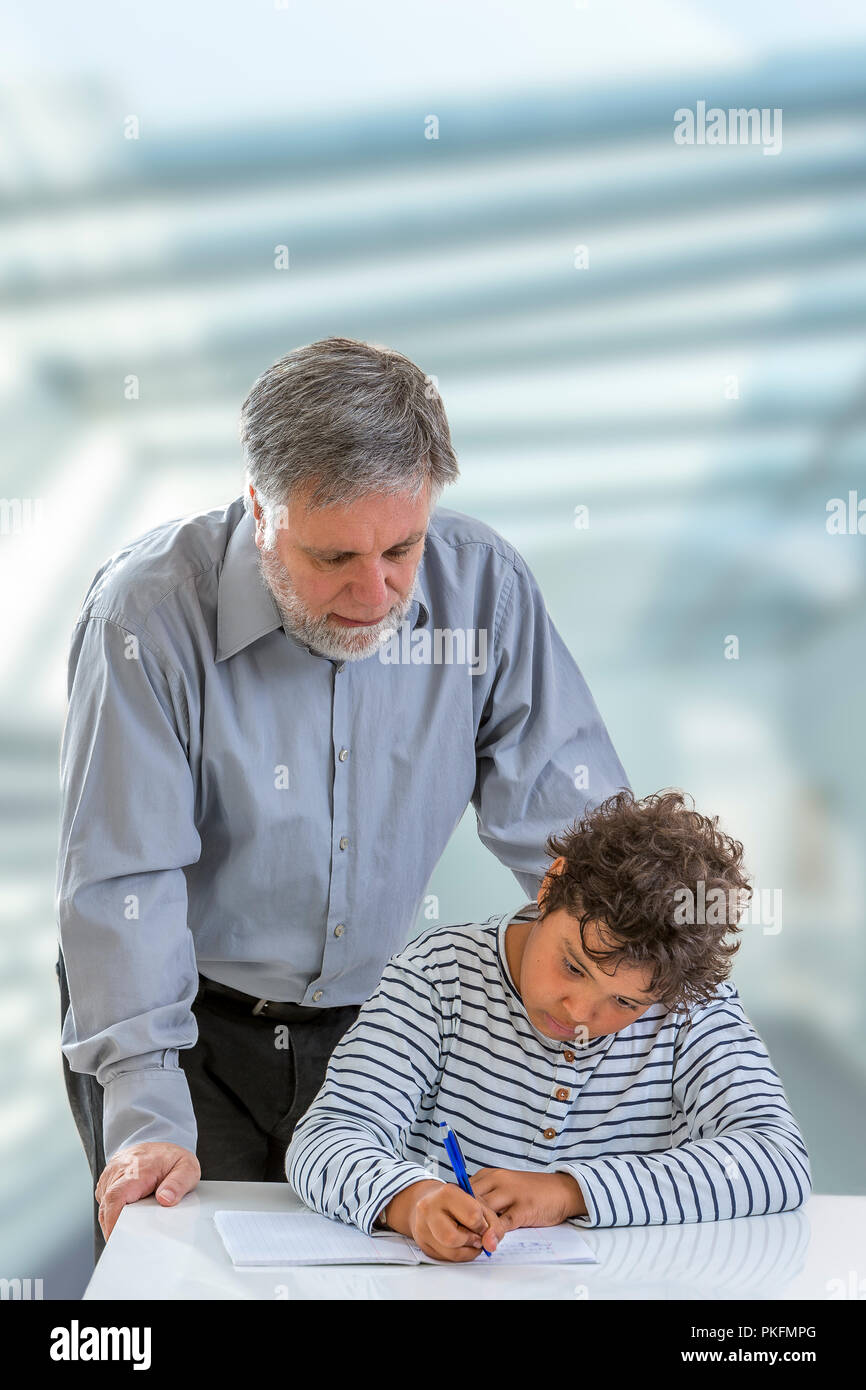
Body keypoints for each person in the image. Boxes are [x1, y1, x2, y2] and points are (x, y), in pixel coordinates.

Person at [55, 336, 629, 1260]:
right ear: (258, 509)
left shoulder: (485, 588)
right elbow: (125, 886)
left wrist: (643, 996)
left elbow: (584, 847)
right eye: (332, 558)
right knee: (190, 1279)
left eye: (402, 547)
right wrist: (145, 1119)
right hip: (179, 1022)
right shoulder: (147, 617)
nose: (375, 594)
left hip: (377, 1026)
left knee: (383, 1269)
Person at [285, 789, 812, 1262]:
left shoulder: (690, 1002)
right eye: (573, 965)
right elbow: (327, 1138)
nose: (580, 1013)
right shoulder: (437, 974)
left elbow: (778, 1159)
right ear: (551, 885)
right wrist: (409, 1200)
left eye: (625, 1002)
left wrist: (571, 1191)